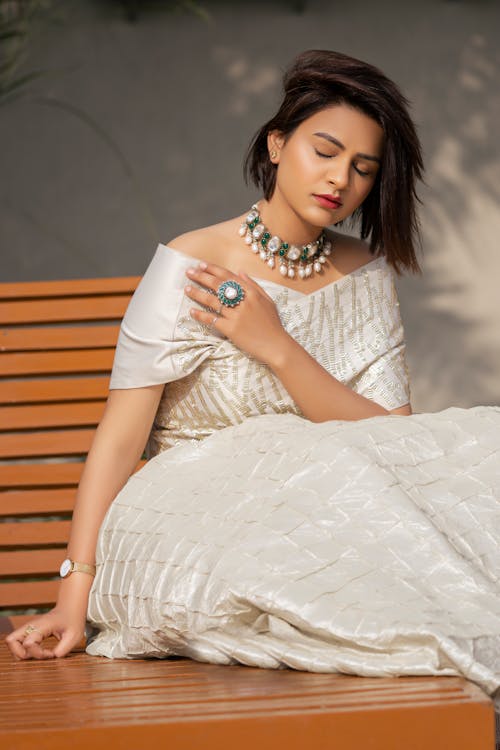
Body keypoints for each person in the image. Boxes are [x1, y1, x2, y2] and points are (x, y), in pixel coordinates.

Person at [5, 50, 500, 716]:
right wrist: (74, 592)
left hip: (321, 502)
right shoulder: (194, 263)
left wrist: (275, 346)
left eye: (362, 168)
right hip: (186, 514)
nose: (340, 179)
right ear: (276, 143)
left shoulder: (365, 273)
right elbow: (119, 440)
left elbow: (396, 439)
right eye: (324, 151)